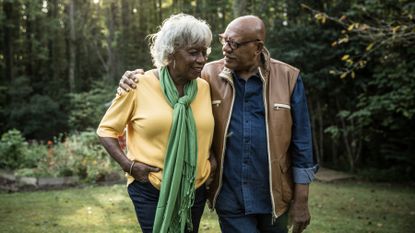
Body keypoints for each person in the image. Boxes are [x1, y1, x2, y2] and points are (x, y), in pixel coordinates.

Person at [119, 15, 318, 233]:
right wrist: (132, 77)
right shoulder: (207, 75)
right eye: (224, 40)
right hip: (230, 196)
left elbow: (303, 143)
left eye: (234, 43)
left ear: (257, 47)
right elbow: (171, 71)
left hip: (275, 195)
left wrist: (302, 200)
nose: (225, 48)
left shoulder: (289, 77)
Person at [97, 13, 215, 233]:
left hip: (194, 189)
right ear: (170, 53)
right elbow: (106, 130)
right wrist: (129, 165)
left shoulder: (205, 87)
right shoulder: (138, 84)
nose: (202, 59)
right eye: (193, 52)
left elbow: (210, 131)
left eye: (204, 51)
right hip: (150, 186)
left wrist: (212, 161)